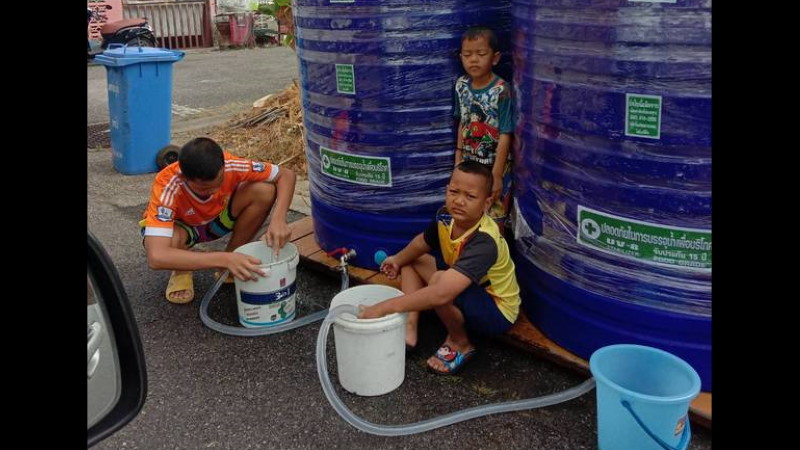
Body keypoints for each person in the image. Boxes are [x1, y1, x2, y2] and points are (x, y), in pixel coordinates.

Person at [358, 161, 520, 375]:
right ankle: (410, 327)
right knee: (413, 259)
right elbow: (420, 243)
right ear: (446, 191)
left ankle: (459, 342)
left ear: (487, 203)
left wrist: (380, 308)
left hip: (496, 309)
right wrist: (396, 260)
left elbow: (442, 292)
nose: (459, 201)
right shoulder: (446, 217)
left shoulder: (485, 241)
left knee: (439, 282)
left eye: (470, 197)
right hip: (467, 287)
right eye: (454, 191)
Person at [139, 137, 296, 304]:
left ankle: (232, 260)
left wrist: (278, 219)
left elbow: (286, 175)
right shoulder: (168, 184)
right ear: (185, 178)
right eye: (204, 188)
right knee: (169, 240)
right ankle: (182, 271)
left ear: (223, 166)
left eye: (219, 182)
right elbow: (156, 256)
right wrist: (222, 258)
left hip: (216, 221)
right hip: (184, 229)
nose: (214, 191)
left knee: (264, 191)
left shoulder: (231, 164)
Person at [453, 26, 514, 227]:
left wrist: (497, 174)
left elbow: (506, 133)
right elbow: (462, 122)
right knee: (469, 212)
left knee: (495, 213)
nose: (473, 59)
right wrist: (458, 160)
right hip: (470, 164)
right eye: (467, 55)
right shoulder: (461, 86)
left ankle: (498, 254)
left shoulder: (501, 90)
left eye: (481, 54)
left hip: (495, 163)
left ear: (495, 58)